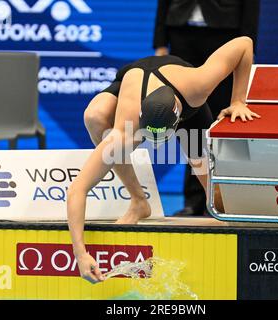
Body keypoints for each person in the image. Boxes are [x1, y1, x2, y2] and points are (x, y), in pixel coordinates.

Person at [67, 36, 260, 283]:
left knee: (219, 203)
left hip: (182, 92)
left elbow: (244, 43)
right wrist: (80, 254)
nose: (158, 145)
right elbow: (77, 190)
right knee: (94, 116)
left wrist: (237, 101)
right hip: (133, 78)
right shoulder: (126, 128)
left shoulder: (198, 85)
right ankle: (139, 201)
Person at [153, 0, 260, 217]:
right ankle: (193, 200)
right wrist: (160, 43)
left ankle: (222, 201)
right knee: (189, 120)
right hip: (181, 32)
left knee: (220, 122)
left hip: (224, 32)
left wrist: (251, 50)